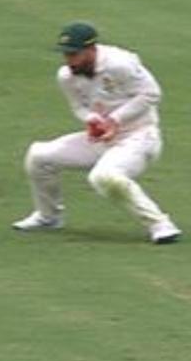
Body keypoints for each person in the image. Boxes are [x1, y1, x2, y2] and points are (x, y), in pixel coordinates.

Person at [12, 22, 181, 244]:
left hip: (139, 138)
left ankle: (160, 224)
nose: (69, 60)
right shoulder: (67, 76)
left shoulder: (120, 64)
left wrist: (114, 120)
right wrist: (93, 121)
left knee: (104, 176)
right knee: (39, 156)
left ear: (91, 49)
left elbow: (151, 94)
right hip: (103, 140)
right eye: (66, 54)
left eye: (74, 54)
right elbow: (79, 107)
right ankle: (48, 217)